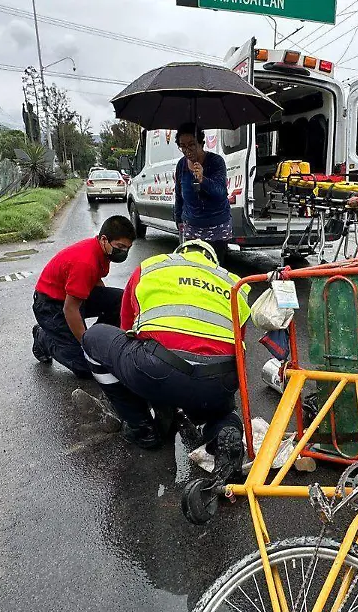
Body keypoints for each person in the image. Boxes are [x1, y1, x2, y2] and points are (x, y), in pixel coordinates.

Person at [81, 240, 252, 482]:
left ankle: (142, 427)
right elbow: (235, 346)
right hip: (218, 379)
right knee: (219, 411)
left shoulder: (152, 267)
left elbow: (128, 329)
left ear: (179, 254)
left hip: (158, 368)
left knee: (93, 338)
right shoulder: (234, 282)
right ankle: (226, 432)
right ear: (212, 262)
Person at [31, 215, 135, 378]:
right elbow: (70, 309)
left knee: (120, 301)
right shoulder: (85, 262)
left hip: (70, 297)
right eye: (120, 247)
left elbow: (95, 282)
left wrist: (106, 306)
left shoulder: (101, 252)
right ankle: (42, 337)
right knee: (86, 367)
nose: (123, 252)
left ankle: (98, 339)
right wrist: (87, 346)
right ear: (104, 239)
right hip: (50, 306)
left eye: (127, 248)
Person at [174, 123, 232, 267]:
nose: (187, 150)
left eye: (191, 145)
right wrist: (178, 218)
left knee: (216, 270)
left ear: (202, 143)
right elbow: (179, 194)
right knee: (193, 270)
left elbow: (220, 193)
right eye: (182, 146)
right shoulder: (181, 165)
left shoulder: (216, 162)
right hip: (191, 227)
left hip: (217, 228)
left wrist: (203, 179)